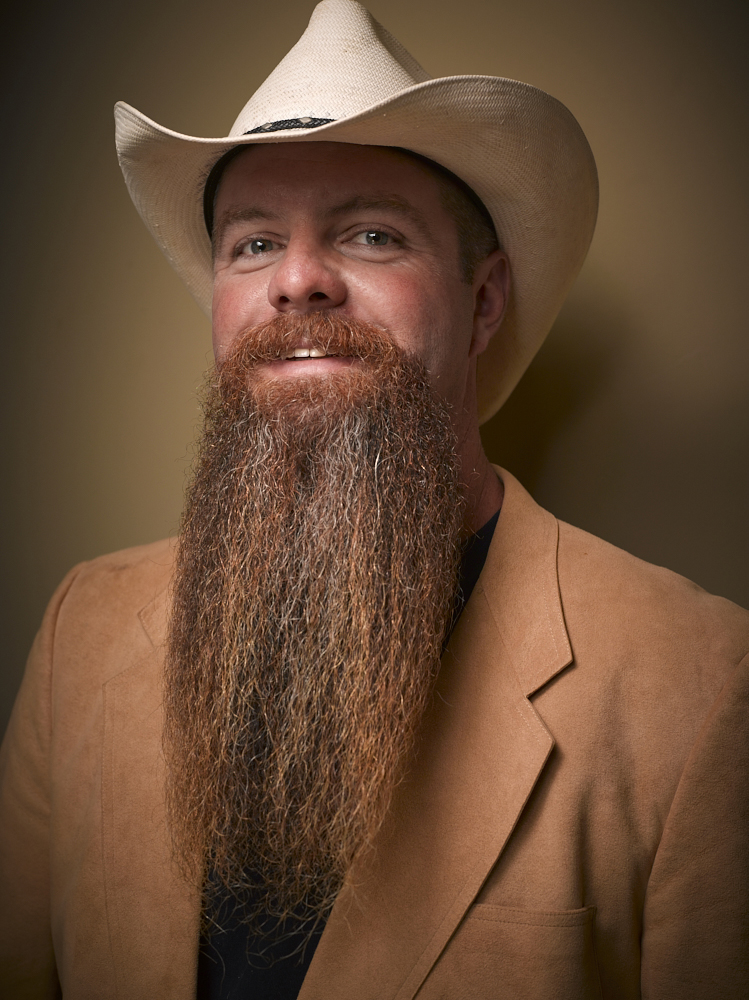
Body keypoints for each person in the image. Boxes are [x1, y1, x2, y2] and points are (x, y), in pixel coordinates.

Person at [1, 1, 747, 997]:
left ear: (482, 303)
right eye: (253, 244)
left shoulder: (699, 686)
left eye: (368, 234)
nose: (298, 280)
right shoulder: (80, 629)